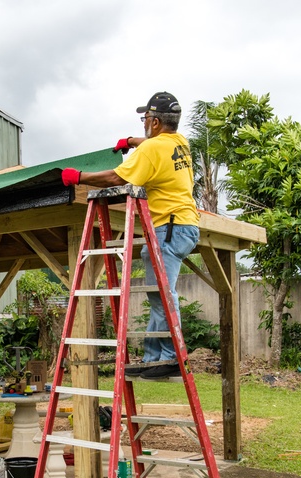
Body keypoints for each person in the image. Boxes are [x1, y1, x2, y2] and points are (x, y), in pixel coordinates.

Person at [60, 92, 199, 379]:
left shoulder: (152, 150)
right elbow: (154, 144)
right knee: (158, 293)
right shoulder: (179, 143)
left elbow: (116, 178)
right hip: (185, 226)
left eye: (146, 119)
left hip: (168, 229)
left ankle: (170, 357)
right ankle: (153, 357)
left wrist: (80, 176)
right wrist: (134, 141)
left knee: (161, 294)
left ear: (157, 121)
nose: (144, 123)